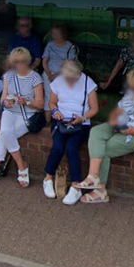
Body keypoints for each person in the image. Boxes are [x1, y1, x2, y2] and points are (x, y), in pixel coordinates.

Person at [73, 67, 134, 204]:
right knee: (96, 131)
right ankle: (93, 176)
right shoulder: (132, 91)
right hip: (124, 127)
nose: (133, 92)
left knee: (104, 149)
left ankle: (100, 191)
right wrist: (116, 122)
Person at [0, 47, 43, 189]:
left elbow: (39, 103)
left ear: (28, 61)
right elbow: (3, 99)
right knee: (5, 133)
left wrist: (27, 102)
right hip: (10, 112)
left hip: (27, 114)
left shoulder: (35, 77)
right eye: (16, 62)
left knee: (4, 135)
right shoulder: (8, 76)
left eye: (22, 61)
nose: (19, 65)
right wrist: (6, 103)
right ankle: (22, 166)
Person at [44, 59, 99, 203]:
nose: (69, 82)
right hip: (60, 121)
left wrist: (82, 117)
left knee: (71, 148)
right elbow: (51, 102)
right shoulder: (58, 81)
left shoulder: (88, 83)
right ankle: (48, 178)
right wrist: (55, 111)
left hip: (80, 122)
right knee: (57, 147)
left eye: (72, 79)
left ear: (78, 74)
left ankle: (76, 187)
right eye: (66, 78)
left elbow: (94, 108)